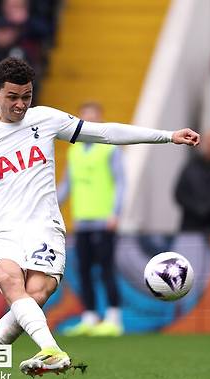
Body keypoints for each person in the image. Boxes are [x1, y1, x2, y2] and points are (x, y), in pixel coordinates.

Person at [0, 57, 199, 379]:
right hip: (6, 230)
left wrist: (167, 135)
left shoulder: (46, 119)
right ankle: (52, 350)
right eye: (13, 97)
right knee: (10, 282)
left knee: (33, 297)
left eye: (27, 96)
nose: (20, 105)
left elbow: (104, 133)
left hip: (46, 228)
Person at [58, 102, 125, 337]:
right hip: (82, 220)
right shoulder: (74, 150)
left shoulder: (110, 148)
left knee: (106, 269)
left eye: (92, 118)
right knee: (84, 270)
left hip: (104, 219)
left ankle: (114, 318)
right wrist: (48, 205)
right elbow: (66, 185)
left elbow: (120, 182)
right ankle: (90, 316)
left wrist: (115, 213)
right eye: (84, 119)